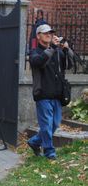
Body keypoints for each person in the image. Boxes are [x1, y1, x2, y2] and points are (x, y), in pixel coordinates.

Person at [27, 24, 72, 160]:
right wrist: (52, 48)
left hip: (57, 95)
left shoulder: (56, 51)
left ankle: (34, 141)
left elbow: (68, 65)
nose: (49, 35)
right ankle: (49, 152)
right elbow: (39, 62)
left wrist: (66, 50)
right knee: (46, 125)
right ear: (38, 36)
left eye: (51, 33)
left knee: (55, 124)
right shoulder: (34, 52)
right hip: (43, 94)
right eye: (46, 33)